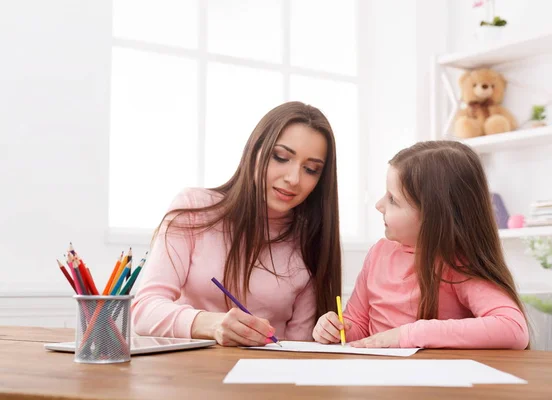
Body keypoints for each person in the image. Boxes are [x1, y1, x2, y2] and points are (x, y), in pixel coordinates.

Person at [133, 101, 342, 347]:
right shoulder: (193, 209)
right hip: (187, 377)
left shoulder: (310, 243)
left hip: (263, 379)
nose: (293, 179)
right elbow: (144, 310)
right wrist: (212, 325)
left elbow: (299, 350)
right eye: (281, 157)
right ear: (254, 151)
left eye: (310, 169)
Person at [312, 140, 529, 349]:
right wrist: (336, 330)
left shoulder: (457, 265)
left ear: (434, 216)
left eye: (393, 200)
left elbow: (513, 328)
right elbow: (358, 325)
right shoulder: (378, 253)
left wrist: (410, 334)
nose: (379, 205)